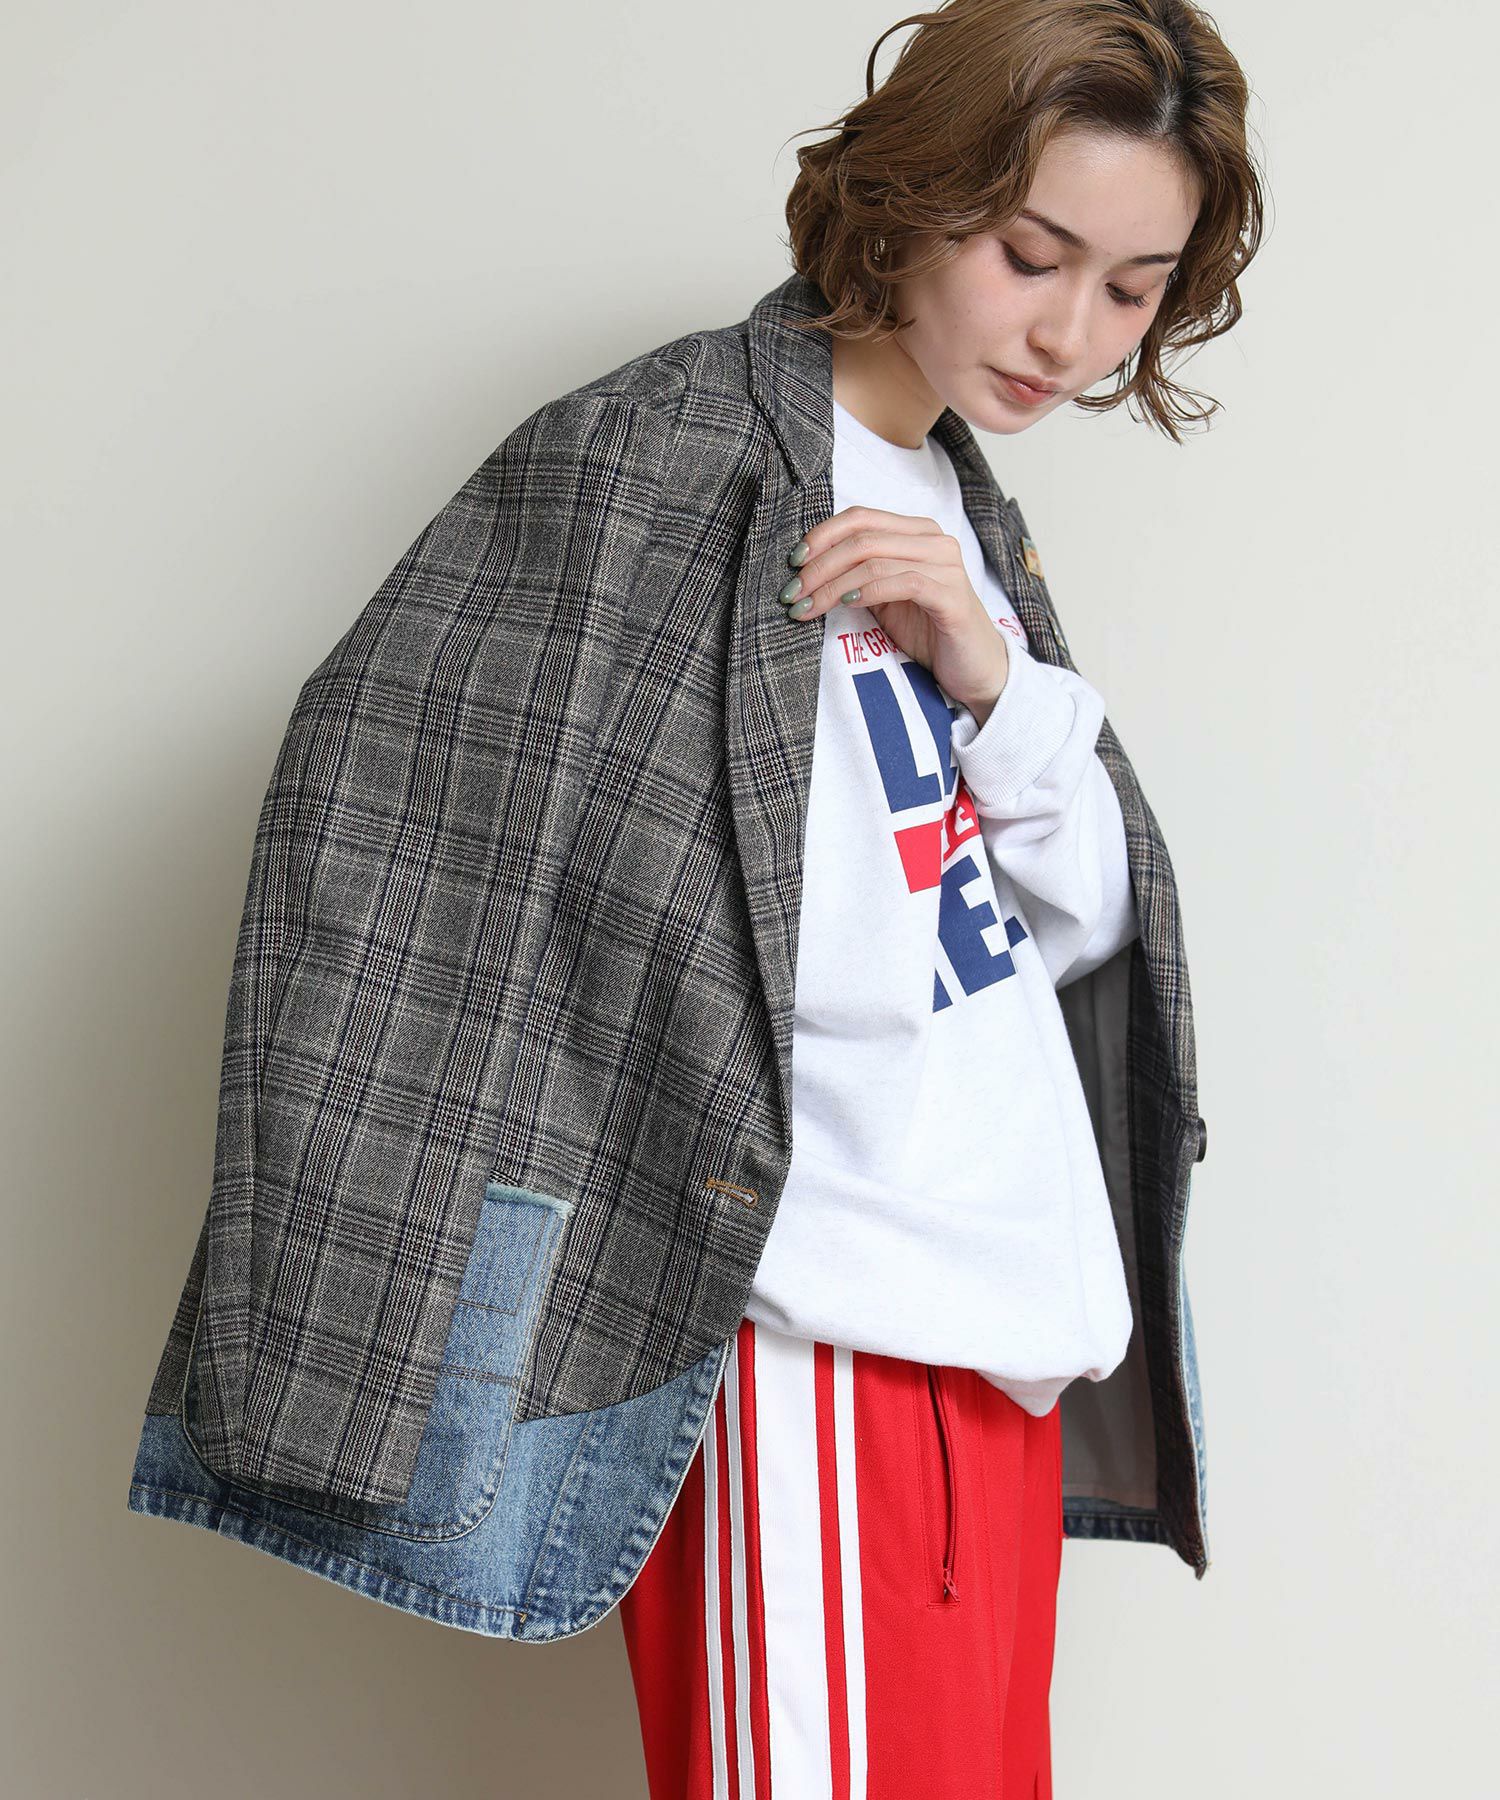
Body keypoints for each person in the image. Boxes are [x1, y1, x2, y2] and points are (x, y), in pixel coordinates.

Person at [124, 1, 1262, 1794]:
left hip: (994, 1352)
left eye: (1132, 287)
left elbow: (1078, 931)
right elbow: (394, 831)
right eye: (1032, 256)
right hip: (811, 1344)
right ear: (915, 194)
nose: (1071, 334)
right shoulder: (667, 460)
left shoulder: (958, 511)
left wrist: (997, 685)